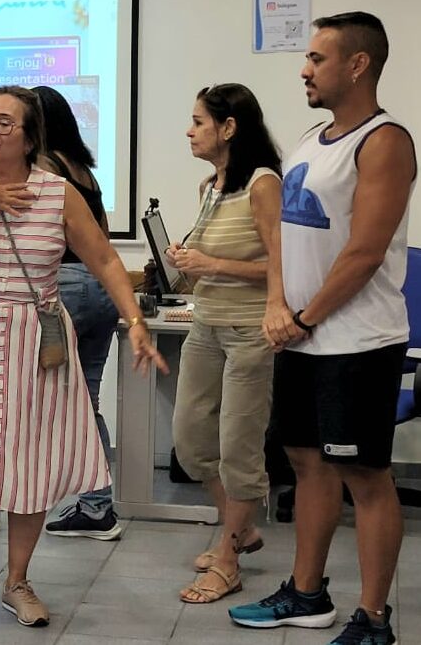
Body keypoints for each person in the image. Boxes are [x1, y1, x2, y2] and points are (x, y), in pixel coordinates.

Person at [0, 85, 167, 628]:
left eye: (5, 123)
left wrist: (138, 322)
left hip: (37, 337)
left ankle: (18, 579)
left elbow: (104, 260)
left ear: (30, 138)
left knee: (30, 456)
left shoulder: (58, 193)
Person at [230, 12, 416, 644]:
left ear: (357, 64)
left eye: (316, 58)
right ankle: (306, 594)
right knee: (307, 466)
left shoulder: (386, 141)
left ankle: (374, 619)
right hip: (301, 337)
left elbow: (365, 253)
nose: (304, 69)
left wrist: (305, 317)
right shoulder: (313, 138)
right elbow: (280, 234)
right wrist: (278, 305)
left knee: (365, 477)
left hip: (356, 344)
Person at [160, 83, 283, 604]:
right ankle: (243, 528)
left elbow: (283, 265)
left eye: (198, 122)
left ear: (228, 128)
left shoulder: (262, 183)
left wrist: (210, 264)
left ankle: (228, 558)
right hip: (206, 326)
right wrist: (185, 259)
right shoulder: (211, 186)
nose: (189, 131)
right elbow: (209, 262)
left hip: (250, 332)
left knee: (239, 449)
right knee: (190, 442)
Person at [35, 84, 124, 541]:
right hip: (99, 289)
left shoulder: (43, 170)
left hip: (62, 288)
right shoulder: (84, 172)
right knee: (85, 398)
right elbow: (102, 238)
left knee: (20, 398)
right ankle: (97, 506)